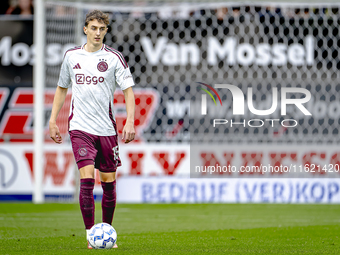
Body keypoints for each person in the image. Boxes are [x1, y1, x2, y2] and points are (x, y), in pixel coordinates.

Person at [49, 9, 135, 249]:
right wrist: (53, 119)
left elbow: (128, 90)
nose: (97, 33)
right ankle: (90, 235)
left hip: (106, 130)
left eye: (102, 29)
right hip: (80, 128)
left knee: (108, 182)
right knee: (86, 178)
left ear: (106, 31)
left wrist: (130, 120)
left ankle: (107, 230)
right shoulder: (71, 56)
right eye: (93, 28)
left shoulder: (114, 58)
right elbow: (61, 88)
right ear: (85, 29)